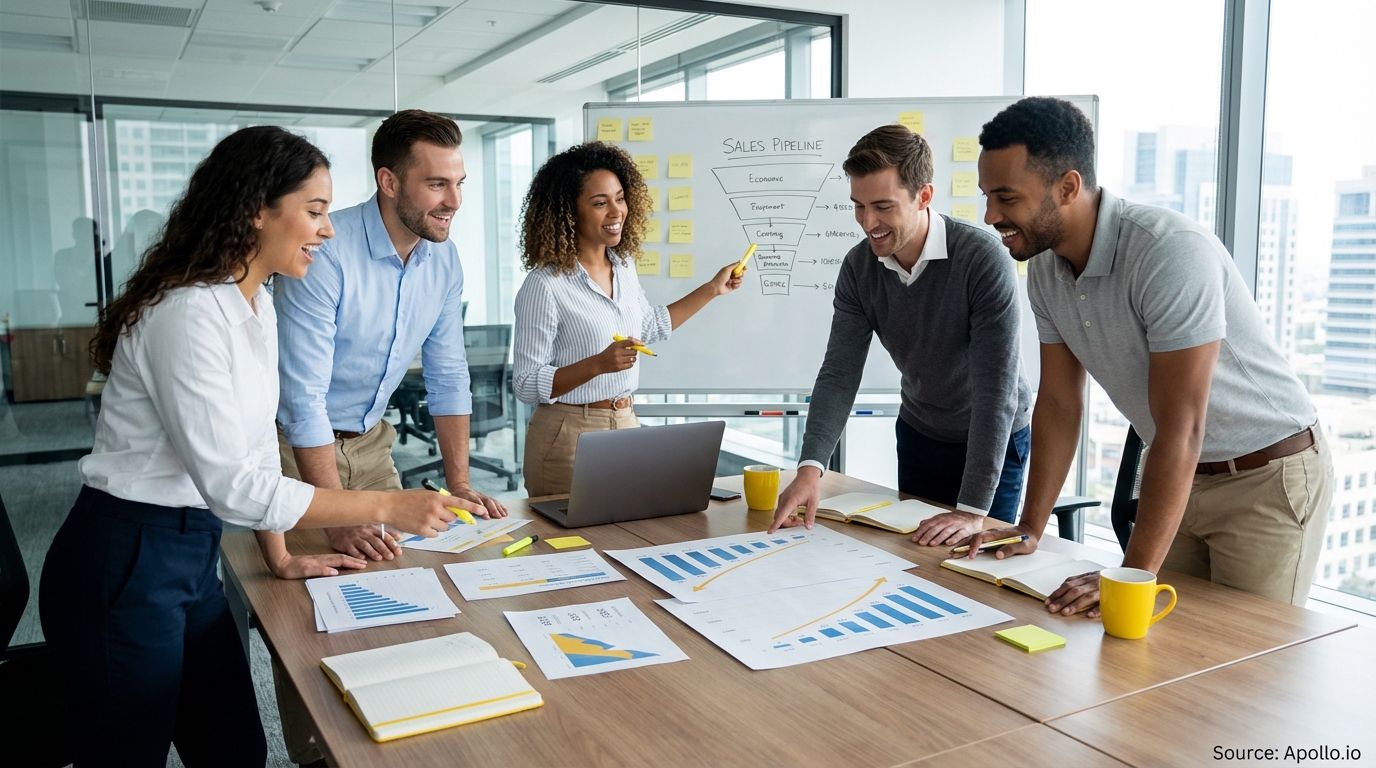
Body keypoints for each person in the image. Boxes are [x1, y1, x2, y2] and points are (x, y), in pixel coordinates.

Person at [38, 126, 461, 767]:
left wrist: (283, 555)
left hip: (191, 553)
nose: (327, 229)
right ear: (256, 211)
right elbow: (233, 485)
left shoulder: (254, 301)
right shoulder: (186, 313)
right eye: (314, 212)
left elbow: (264, 442)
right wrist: (381, 505)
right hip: (126, 559)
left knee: (235, 748)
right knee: (127, 754)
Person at [967, 96, 1332, 615]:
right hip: (1182, 473)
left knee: (1242, 661)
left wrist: (1131, 575)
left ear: (1068, 187)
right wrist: (1031, 526)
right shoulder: (1046, 270)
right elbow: (1059, 404)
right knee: (1154, 643)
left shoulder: (1168, 252)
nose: (991, 216)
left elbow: (1182, 425)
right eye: (987, 197)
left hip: (1264, 478)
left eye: (1005, 197)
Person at [272, 109, 506, 765]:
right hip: (298, 448)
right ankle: (313, 754)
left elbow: (449, 372)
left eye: (458, 183)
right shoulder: (327, 252)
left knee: (390, 591)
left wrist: (459, 482)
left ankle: (389, 740)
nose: (454, 201)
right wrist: (337, 513)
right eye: (437, 185)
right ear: (388, 182)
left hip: (370, 443)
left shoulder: (442, 259)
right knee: (309, 607)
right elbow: (302, 399)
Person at [767, 125, 1032, 542]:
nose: (868, 222)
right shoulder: (859, 268)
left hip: (992, 437)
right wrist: (810, 467)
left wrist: (972, 511)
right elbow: (839, 372)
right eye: (858, 206)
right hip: (920, 432)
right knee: (917, 557)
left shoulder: (982, 261)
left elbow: (996, 392)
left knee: (974, 560)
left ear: (923, 196)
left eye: (883, 206)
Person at [512, 141, 744, 496]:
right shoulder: (544, 285)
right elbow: (527, 384)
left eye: (619, 198)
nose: (616, 211)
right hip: (567, 433)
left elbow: (648, 327)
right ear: (568, 212)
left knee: (627, 538)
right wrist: (598, 364)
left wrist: (712, 289)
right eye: (600, 203)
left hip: (625, 422)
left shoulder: (623, 267)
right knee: (571, 547)